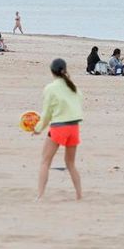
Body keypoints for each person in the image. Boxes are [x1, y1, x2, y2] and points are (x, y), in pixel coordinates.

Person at [33, 58, 84, 202]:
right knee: (71, 164)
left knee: (45, 162)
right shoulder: (74, 88)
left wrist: (38, 129)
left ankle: (40, 196)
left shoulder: (50, 88)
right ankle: (79, 195)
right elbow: (78, 104)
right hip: (74, 127)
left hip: (59, 128)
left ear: (51, 71)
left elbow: (46, 114)